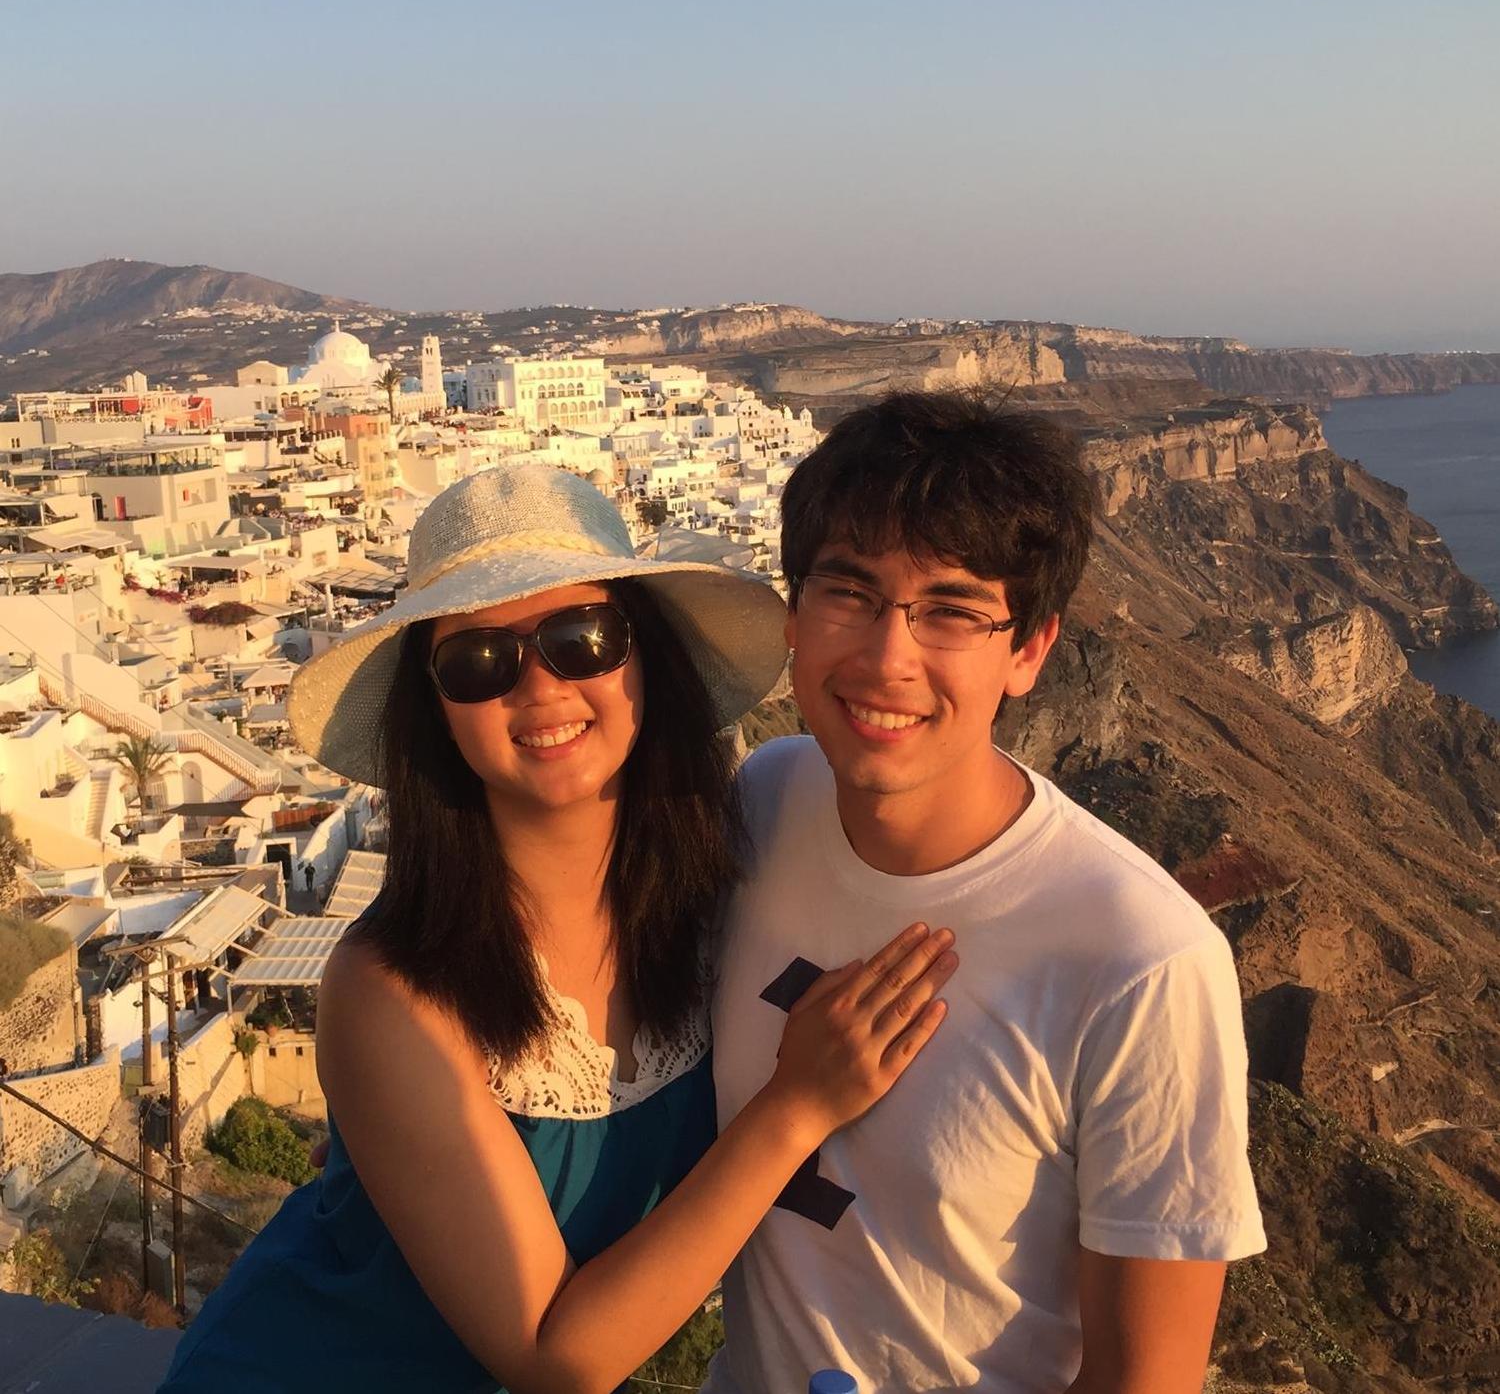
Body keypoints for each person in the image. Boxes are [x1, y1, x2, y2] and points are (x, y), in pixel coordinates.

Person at [160, 464, 957, 1394]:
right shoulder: (393, 994)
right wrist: (798, 1106)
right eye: (478, 660)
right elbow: (554, 1359)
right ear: (437, 711)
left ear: (645, 657)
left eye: (583, 639)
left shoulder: (715, 902)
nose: (539, 689)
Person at [707, 391, 1266, 1394]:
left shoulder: (1145, 963)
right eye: (851, 593)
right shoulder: (768, 795)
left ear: (1029, 651)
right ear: (793, 615)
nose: (888, 658)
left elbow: (1147, 1378)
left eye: (952, 612)